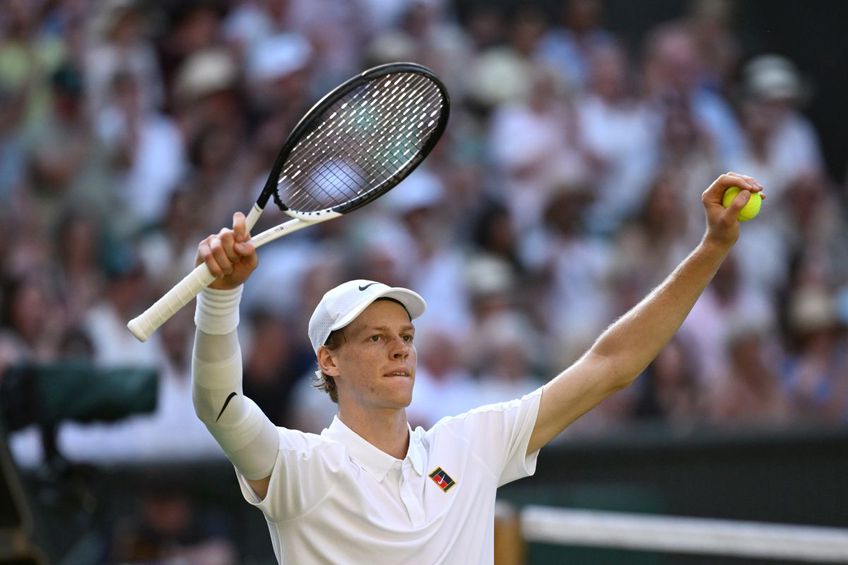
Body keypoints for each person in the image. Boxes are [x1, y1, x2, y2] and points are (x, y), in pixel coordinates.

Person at [189, 172, 764, 563]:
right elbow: (219, 406)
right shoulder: (300, 468)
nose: (400, 350)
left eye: (407, 337)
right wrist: (219, 299)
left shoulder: (467, 446)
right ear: (328, 360)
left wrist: (711, 247)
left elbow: (610, 364)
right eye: (376, 338)